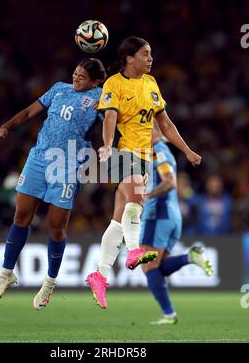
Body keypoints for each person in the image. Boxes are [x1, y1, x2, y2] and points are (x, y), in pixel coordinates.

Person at [86, 36, 202, 309]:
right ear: (129, 58)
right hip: (122, 153)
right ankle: (135, 249)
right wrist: (105, 146)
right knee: (136, 201)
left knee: (118, 221)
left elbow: (167, 124)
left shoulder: (150, 84)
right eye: (146, 54)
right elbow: (110, 118)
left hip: (144, 157)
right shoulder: (114, 83)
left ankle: (99, 275)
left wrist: (187, 150)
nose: (151, 58)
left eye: (151, 53)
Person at [0, 58, 107, 310]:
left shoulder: (101, 97)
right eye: (75, 73)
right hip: (39, 158)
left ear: (95, 82)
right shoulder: (59, 88)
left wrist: (108, 145)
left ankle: (49, 283)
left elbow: (111, 120)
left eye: (82, 77)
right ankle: (6, 274)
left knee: (56, 228)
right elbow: (31, 111)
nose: (76, 78)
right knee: (20, 216)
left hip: (67, 164)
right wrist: (7, 126)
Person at [138, 125, 212, 325]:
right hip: (172, 216)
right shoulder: (161, 152)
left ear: (159, 133)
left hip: (157, 215)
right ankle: (190, 257)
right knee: (158, 266)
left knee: (148, 266)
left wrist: (146, 195)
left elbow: (170, 182)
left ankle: (169, 314)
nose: (145, 131)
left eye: (150, 129)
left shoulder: (159, 152)